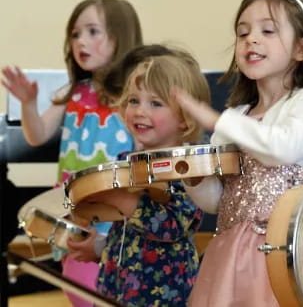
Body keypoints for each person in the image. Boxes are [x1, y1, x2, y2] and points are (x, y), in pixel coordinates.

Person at [172, 0, 303, 306]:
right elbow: (218, 202)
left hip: (288, 256)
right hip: (231, 254)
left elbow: (282, 148)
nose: (251, 39)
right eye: (242, 32)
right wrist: (194, 177)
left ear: (302, 48)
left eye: (268, 30)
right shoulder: (236, 116)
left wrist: (214, 120)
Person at [1, 0, 143, 307]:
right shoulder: (73, 93)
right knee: (78, 287)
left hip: (116, 219)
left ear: (120, 37)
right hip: (75, 216)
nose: (81, 41)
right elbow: (36, 135)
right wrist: (27, 103)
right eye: (75, 34)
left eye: (93, 31)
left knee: (106, 291)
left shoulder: (132, 96)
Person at [69, 49, 210, 306]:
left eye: (155, 103)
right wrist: (101, 247)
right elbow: (125, 228)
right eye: (134, 100)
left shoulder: (187, 166)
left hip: (162, 294)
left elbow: (173, 227)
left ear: (185, 117)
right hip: (116, 286)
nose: (139, 111)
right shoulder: (128, 160)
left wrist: (122, 199)